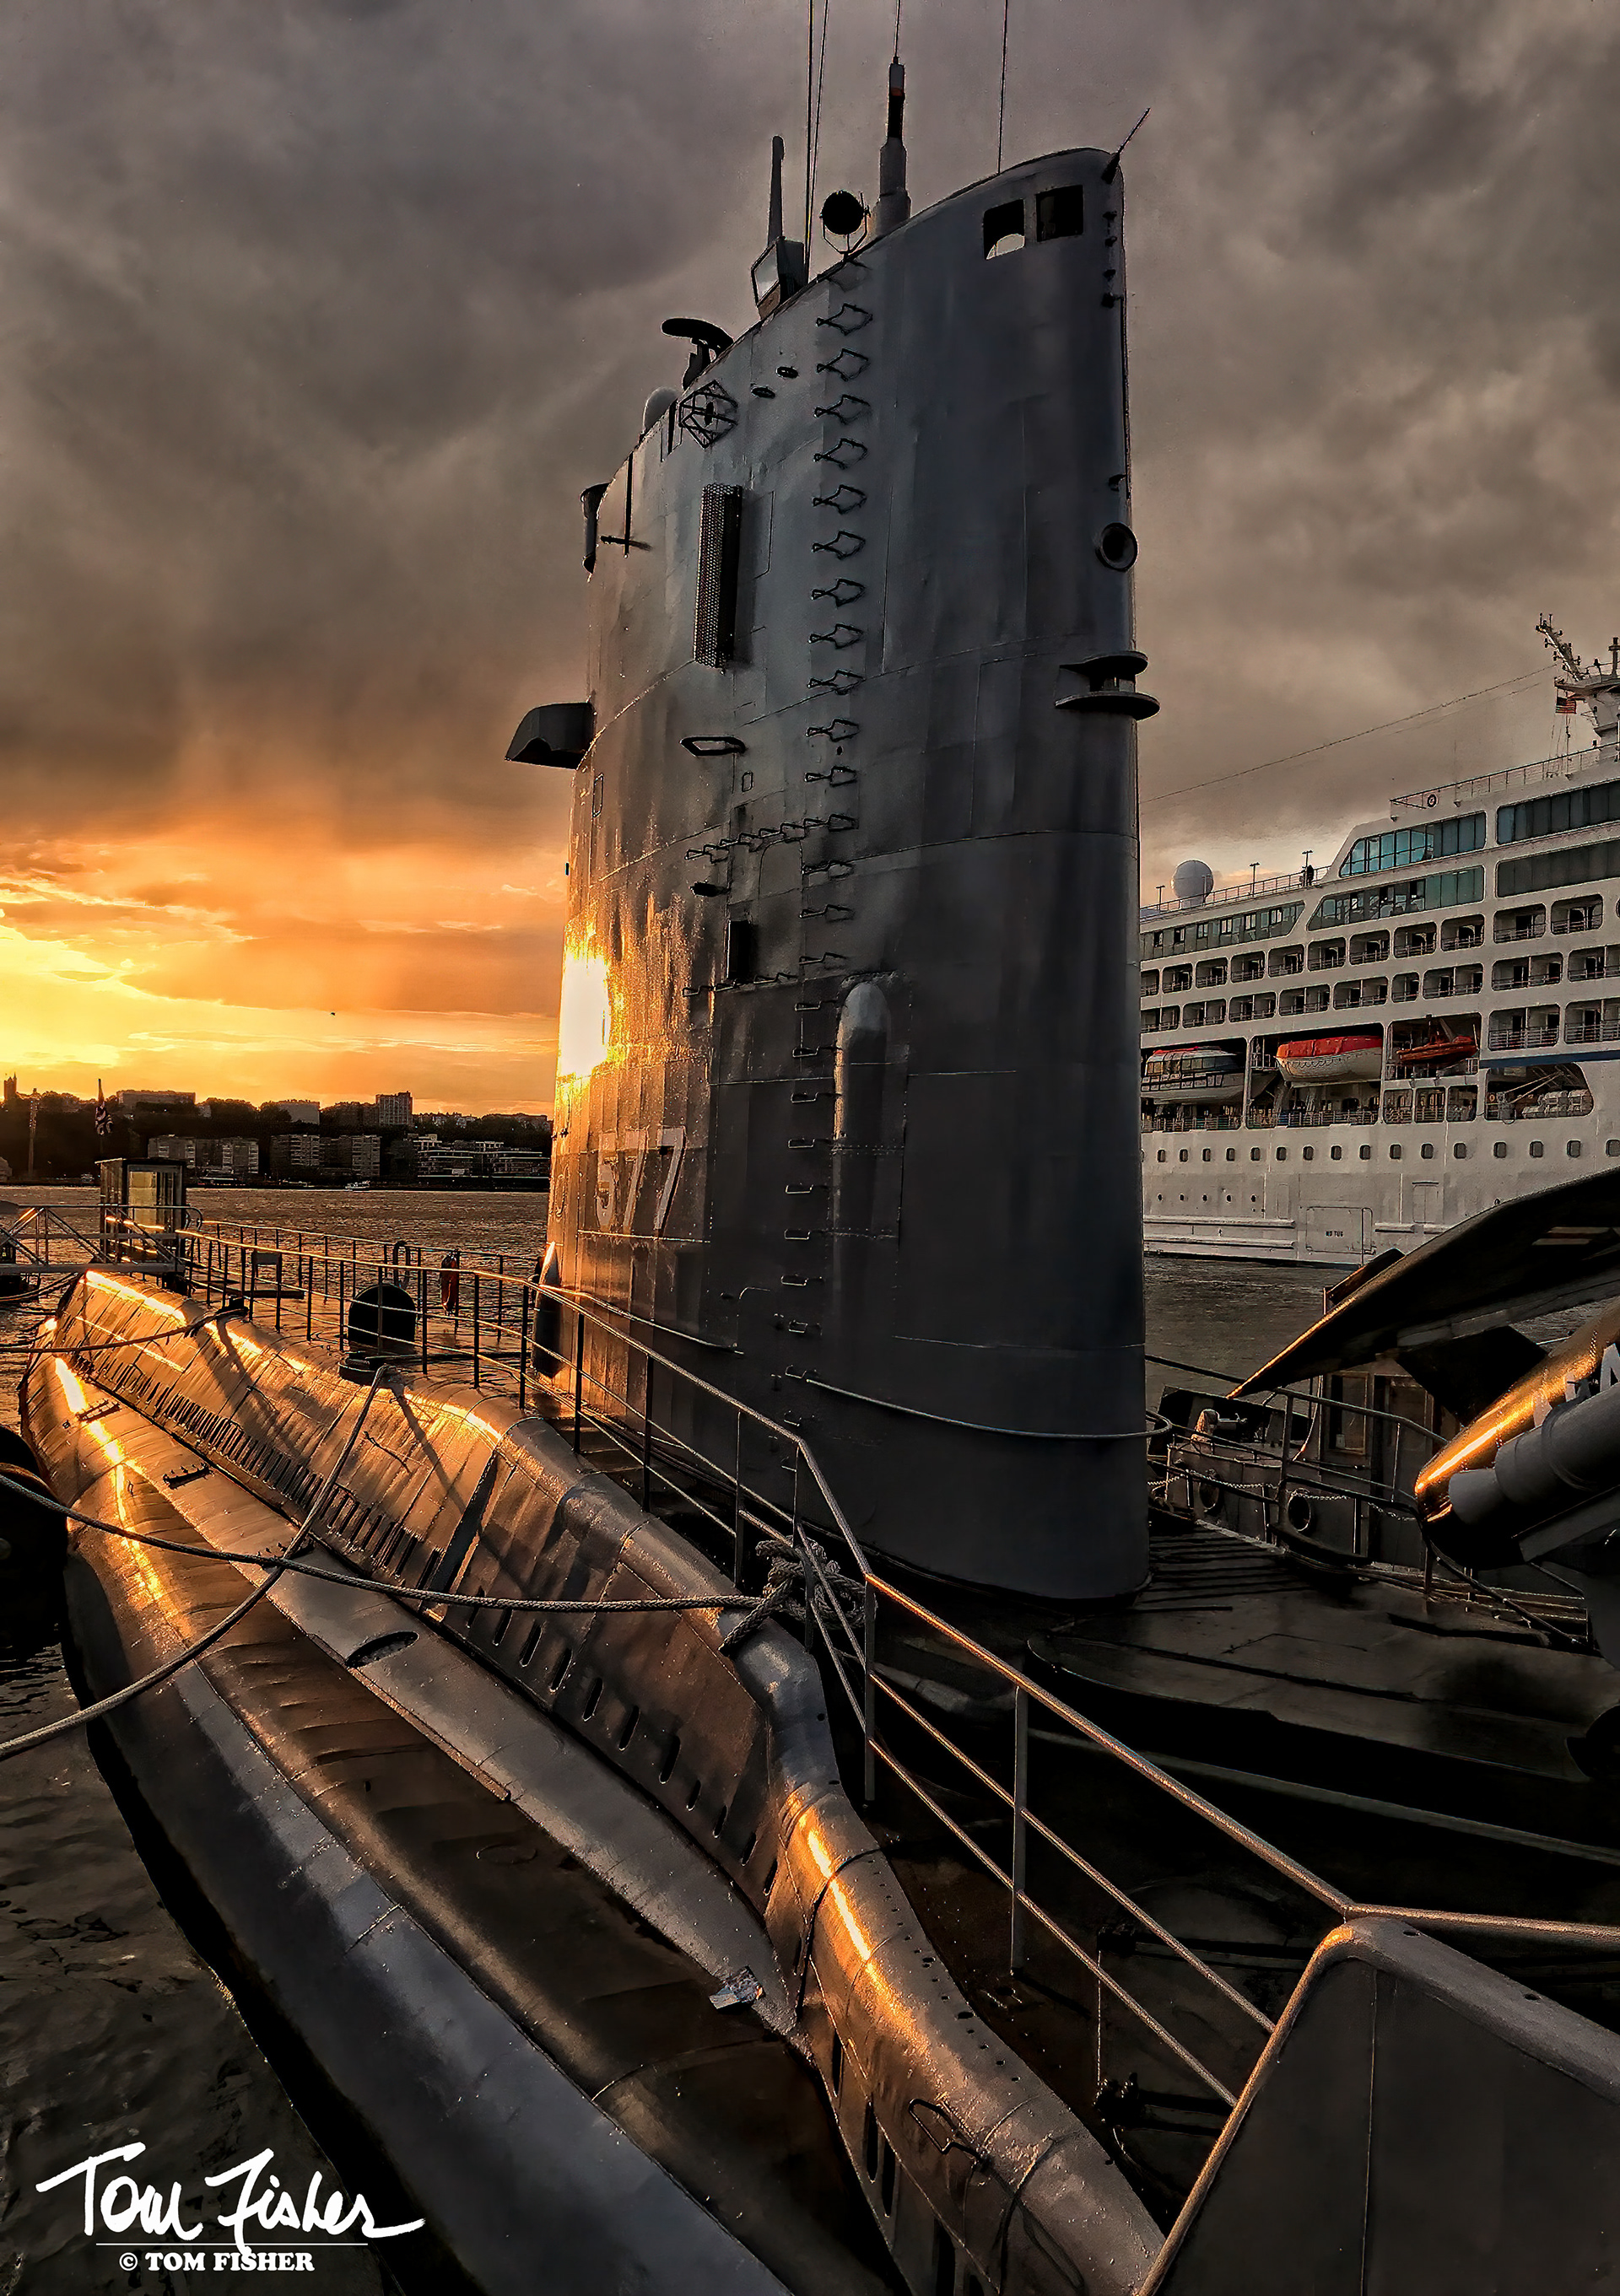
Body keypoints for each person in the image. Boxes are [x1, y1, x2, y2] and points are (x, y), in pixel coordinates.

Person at [439, 1248, 461, 1322]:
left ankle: (448, 1305)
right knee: (446, 1283)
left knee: (451, 1283)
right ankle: (447, 1305)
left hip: (450, 1279)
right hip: (447, 1278)